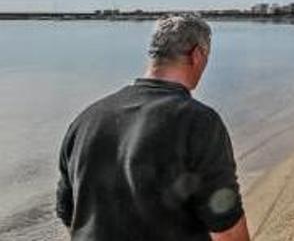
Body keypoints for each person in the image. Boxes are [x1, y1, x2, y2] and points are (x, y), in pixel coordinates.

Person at [56, 14, 250, 241]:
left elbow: (69, 213)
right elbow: (227, 227)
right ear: (197, 55)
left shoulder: (85, 120)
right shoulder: (199, 122)